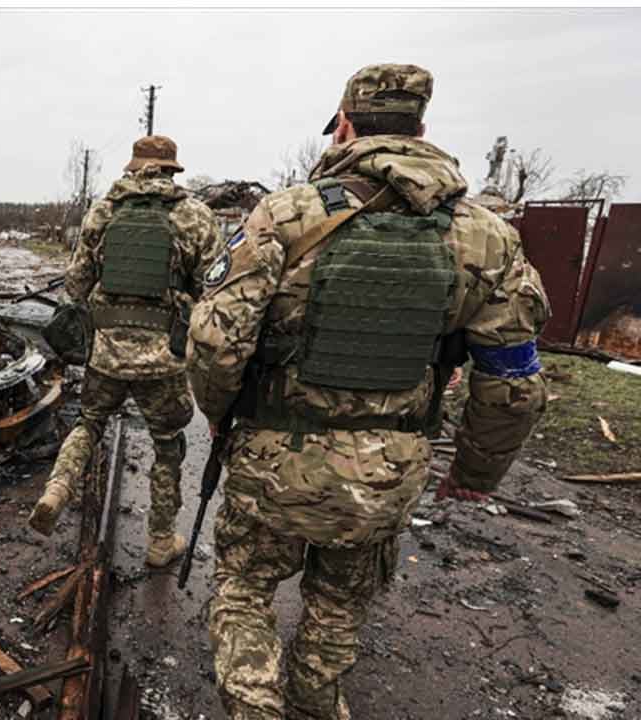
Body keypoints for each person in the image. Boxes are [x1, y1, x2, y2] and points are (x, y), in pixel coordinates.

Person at [187, 64, 549, 719]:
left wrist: (219, 412)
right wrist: (475, 473)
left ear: (345, 127)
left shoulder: (287, 214)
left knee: (243, 589)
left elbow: (216, 339)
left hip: (273, 463)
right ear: (421, 130)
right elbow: (513, 380)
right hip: (387, 473)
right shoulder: (486, 235)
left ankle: (252, 706)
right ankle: (316, 698)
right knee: (339, 601)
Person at [28, 135, 222, 568]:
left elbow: (75, 284)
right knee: (168, 445)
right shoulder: (194, 215)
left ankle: (57, 488)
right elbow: (213, 289)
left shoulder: (103, 212)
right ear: (172, 171)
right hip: (164, 360)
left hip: (106, 355)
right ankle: (160, 540)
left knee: (89, 423)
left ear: (132, 168)